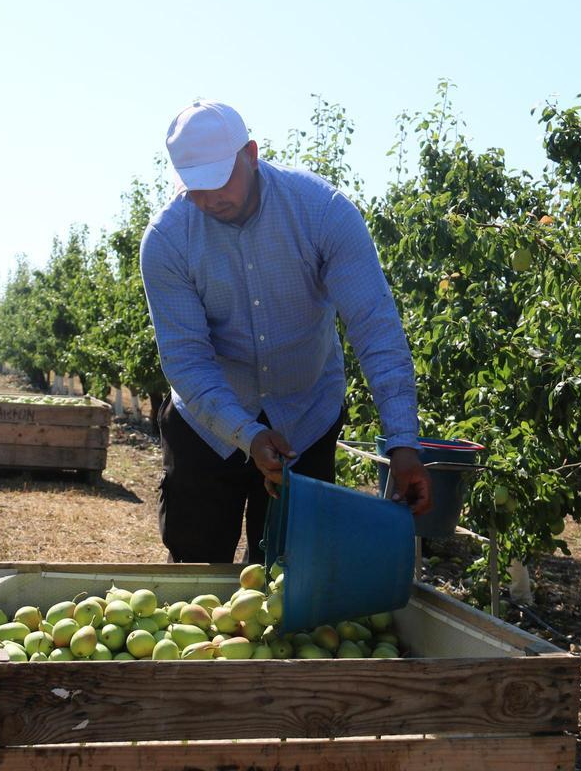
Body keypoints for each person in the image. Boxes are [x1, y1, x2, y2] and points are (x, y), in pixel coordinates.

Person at [139, 99, 431, 563]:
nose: (209, 198)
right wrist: (247, 434)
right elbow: (186, 360)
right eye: (195, 188)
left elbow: (375, 328)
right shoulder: (168, 240)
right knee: (194, 568)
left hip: (305, 415)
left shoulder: (322, 212)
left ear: (251, 154)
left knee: (291, 569)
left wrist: (402, 441)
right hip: (209, 424)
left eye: (220, 181)